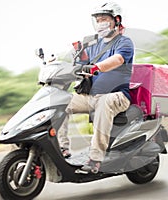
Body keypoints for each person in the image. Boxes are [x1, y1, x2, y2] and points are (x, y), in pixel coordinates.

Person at [58, 1, 134, 173]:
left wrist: (96, 67)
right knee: (59, 101)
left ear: (116, 20)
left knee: (104, 102)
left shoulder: (124, 42)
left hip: (117, 96)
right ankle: (62, 147)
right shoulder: (93, 45)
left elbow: (118, 60)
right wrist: (60, 62)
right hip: (90, 96)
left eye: (104, 19)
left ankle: (95, 159)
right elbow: (78, 63)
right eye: (98, 20)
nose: (100, 23)